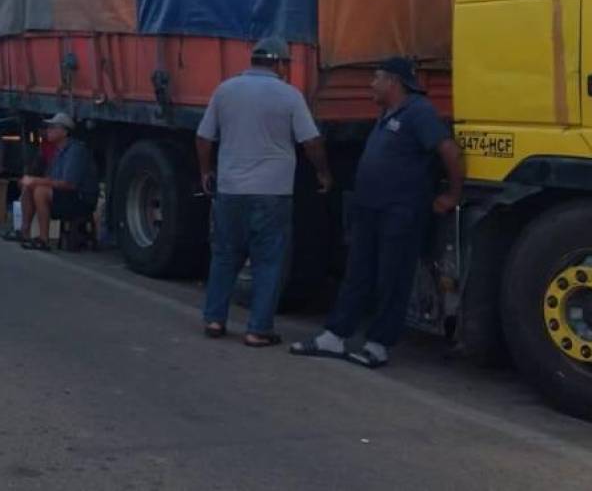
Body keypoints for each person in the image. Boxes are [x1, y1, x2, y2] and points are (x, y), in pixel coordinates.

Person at [291, 56, 463, 368]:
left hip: (400, 211)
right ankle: (336, 335)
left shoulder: (419, 112)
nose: (371, 84)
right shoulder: (387, 111)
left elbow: (448, 150)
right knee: (358, 273)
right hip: (370, 209)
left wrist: (452, 194)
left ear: (393, 82)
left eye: (376, 78)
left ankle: (379, 343)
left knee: (393, 277)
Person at [195, 37, 333, 348]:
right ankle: (258, 329)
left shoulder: (225, 90)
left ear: (253, 60)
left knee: (224, 255)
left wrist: (206, 171)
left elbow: (203, 137)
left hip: (230, 189)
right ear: (281, 64)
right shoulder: (289, 96)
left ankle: (215, 319)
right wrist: (323, 173)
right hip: (273, 192)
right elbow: (311, 141)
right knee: (269, 261)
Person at [17, 113, 98, 251]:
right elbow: (52, 178)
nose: (48, 130)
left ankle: (44, 239)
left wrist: (37, 181)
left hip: (80, 198)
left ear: (65, 132)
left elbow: (69, 183)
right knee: (30, 187)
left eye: (53, 127)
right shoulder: (58, 151)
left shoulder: (75, 150)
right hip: (65, 194)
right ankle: (24, 231)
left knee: (40, 191)